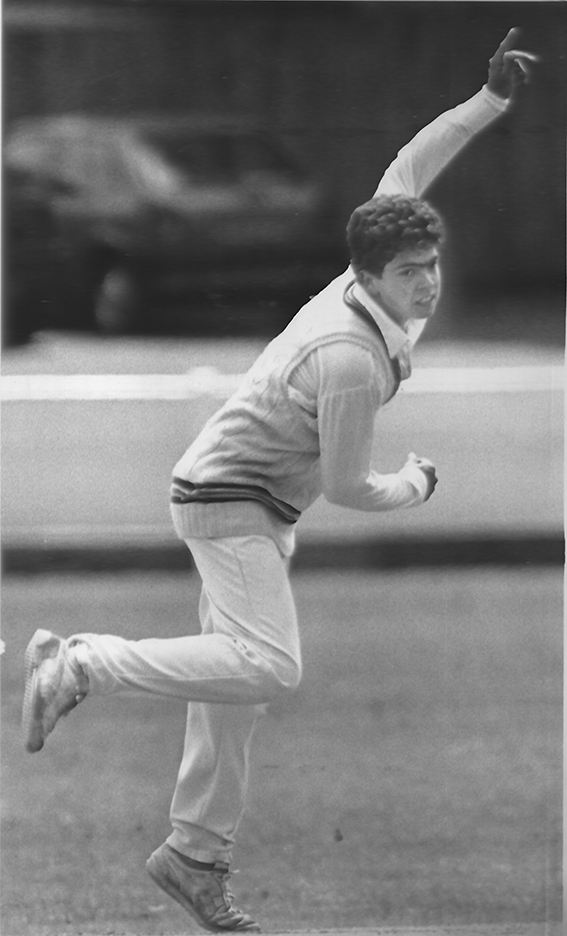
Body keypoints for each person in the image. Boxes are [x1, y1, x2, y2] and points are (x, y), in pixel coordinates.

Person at [22, 29, 537, 934]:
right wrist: (415, 484)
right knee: (270, 666)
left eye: (433, 268)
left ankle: (193, 855)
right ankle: (82, 663)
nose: (427, 286)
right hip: (229, 503)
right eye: (411, 274)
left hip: (251, 498)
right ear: (369, 274)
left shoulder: (376, 254)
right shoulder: (349, 360)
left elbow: (412, 160)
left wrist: (487, 101)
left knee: (239, 690)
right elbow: (348, 488)